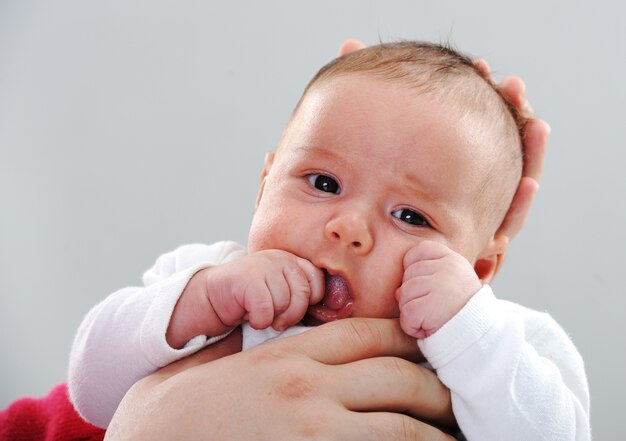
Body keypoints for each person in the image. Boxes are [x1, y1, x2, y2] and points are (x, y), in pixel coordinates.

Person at [68, 40, 586, 441]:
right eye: (323, 183)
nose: (348, 229)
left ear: (475, 270)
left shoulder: (501, 340)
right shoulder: (213, 278)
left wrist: (470, 329)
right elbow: (90, 391)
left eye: (410, 216)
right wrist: (203, 300)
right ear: (264, 187)